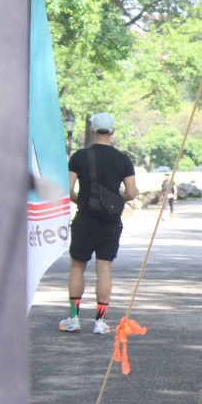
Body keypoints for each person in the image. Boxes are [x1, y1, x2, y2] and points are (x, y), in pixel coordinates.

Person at [59, 112, 137, 334]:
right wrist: (114, 199)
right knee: (104, 269)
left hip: (84, 219)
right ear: (113, 132)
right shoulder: (123, 160)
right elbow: (131, 193)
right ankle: (100, 322)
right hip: (110, 222)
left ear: (91, 130)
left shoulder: (79, 157)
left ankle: (73, 318)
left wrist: (81, 200)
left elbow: (68, 189)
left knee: (77, 267)